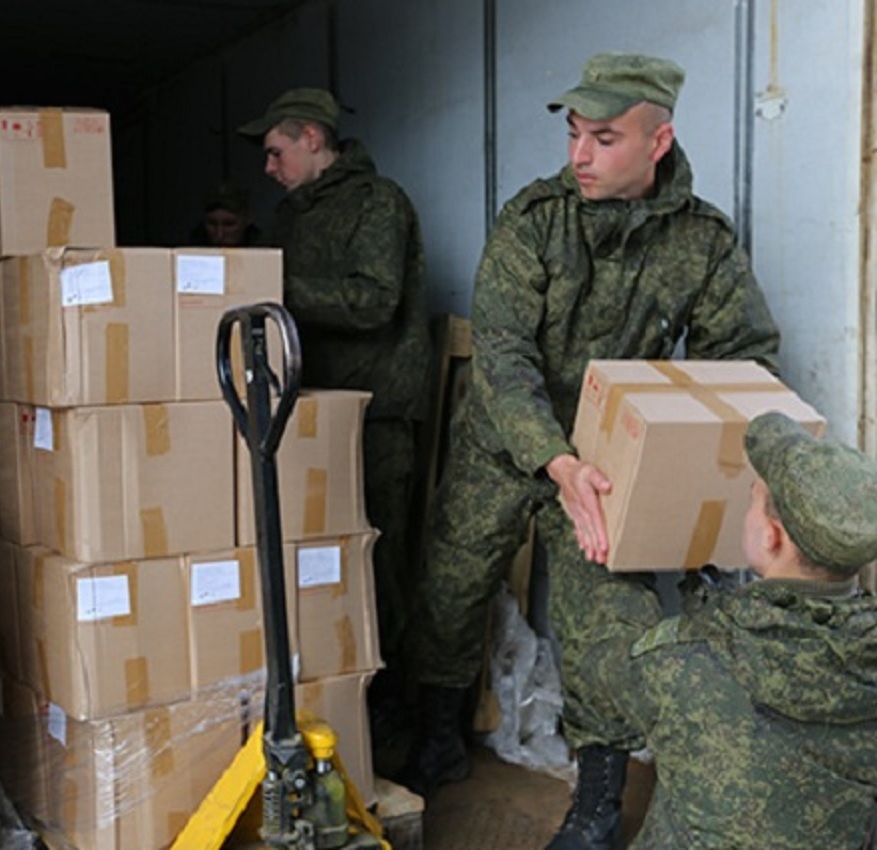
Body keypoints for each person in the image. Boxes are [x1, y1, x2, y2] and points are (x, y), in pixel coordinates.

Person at [401, 51, 782, 845]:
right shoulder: (534, 219)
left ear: (658, 140)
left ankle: (597, 803)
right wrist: (553, 458)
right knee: (450, 585)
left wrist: (684, 454)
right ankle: (432, 734)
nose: (579, 155)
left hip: (609, 462)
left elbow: (743, 355)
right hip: (508, 440)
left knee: (610, 625)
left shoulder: (702, 241)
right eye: (575, 134)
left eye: (603, 138)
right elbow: (502, 353)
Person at [572, 411, 877, 849]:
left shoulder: (687, 665)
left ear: (772, 537)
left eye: (752, 498)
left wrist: (610, 558)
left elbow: (604, 664)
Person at [238, 88, 433, 740]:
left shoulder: (378, 203)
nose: (268, 168)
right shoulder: (293, 216)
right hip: (311, 414)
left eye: (275, 151)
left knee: (380, 567)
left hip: (375, 416)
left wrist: (274, 291)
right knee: (324, 569)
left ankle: (407, 721)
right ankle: (347, 710)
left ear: (312, 139)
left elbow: (374, 301)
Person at [188, 181, 263, 247]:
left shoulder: (264, 249)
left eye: (229, 224)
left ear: (248, 218)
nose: (219, 234)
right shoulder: (192, 248)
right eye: (212, 224)